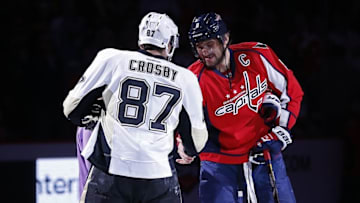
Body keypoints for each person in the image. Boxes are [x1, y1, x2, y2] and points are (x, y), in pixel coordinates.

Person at [63, 12, 208, 203]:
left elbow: (71, 108)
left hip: (111, 171)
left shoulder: (112, 58)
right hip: (158, 176)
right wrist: (186, 148)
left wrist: (96, 113)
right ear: (169, 43)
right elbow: (197, 142)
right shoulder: (185, 77)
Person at [177, 12, 304, 203]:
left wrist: (282, 131)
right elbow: (182, 118)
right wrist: (182, 143)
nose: (204, 51)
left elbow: (292, 91)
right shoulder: (193, 78)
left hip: (264, 154)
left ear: (225, 38)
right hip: (219, 164)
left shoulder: (257, 56)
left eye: (209, 44)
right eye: (199, 46)